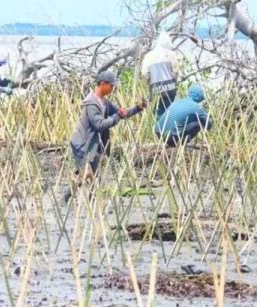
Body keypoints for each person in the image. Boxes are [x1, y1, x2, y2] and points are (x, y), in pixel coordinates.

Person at [63, 71, 146, 203]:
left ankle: (89, 202)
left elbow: (121, 113)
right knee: (86, 175)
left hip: (94, 146)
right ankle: (69, 200)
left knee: (91, 176)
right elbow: (99, 125)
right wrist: (117, 116)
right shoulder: (91, 103)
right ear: (103, 84)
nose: (113, 88)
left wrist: (137, 108)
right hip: (83, 145)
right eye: (111, 86)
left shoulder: (105, 102)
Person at [141, 31, 180, 117]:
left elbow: (144, 73)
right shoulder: (171, 55)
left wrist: (149, 82)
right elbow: (175, 72)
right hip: (170, 89)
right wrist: (173, 81)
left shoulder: (148, 56)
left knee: (156, 112)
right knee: (169, 113)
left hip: (154, 88)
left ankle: (157, 129)